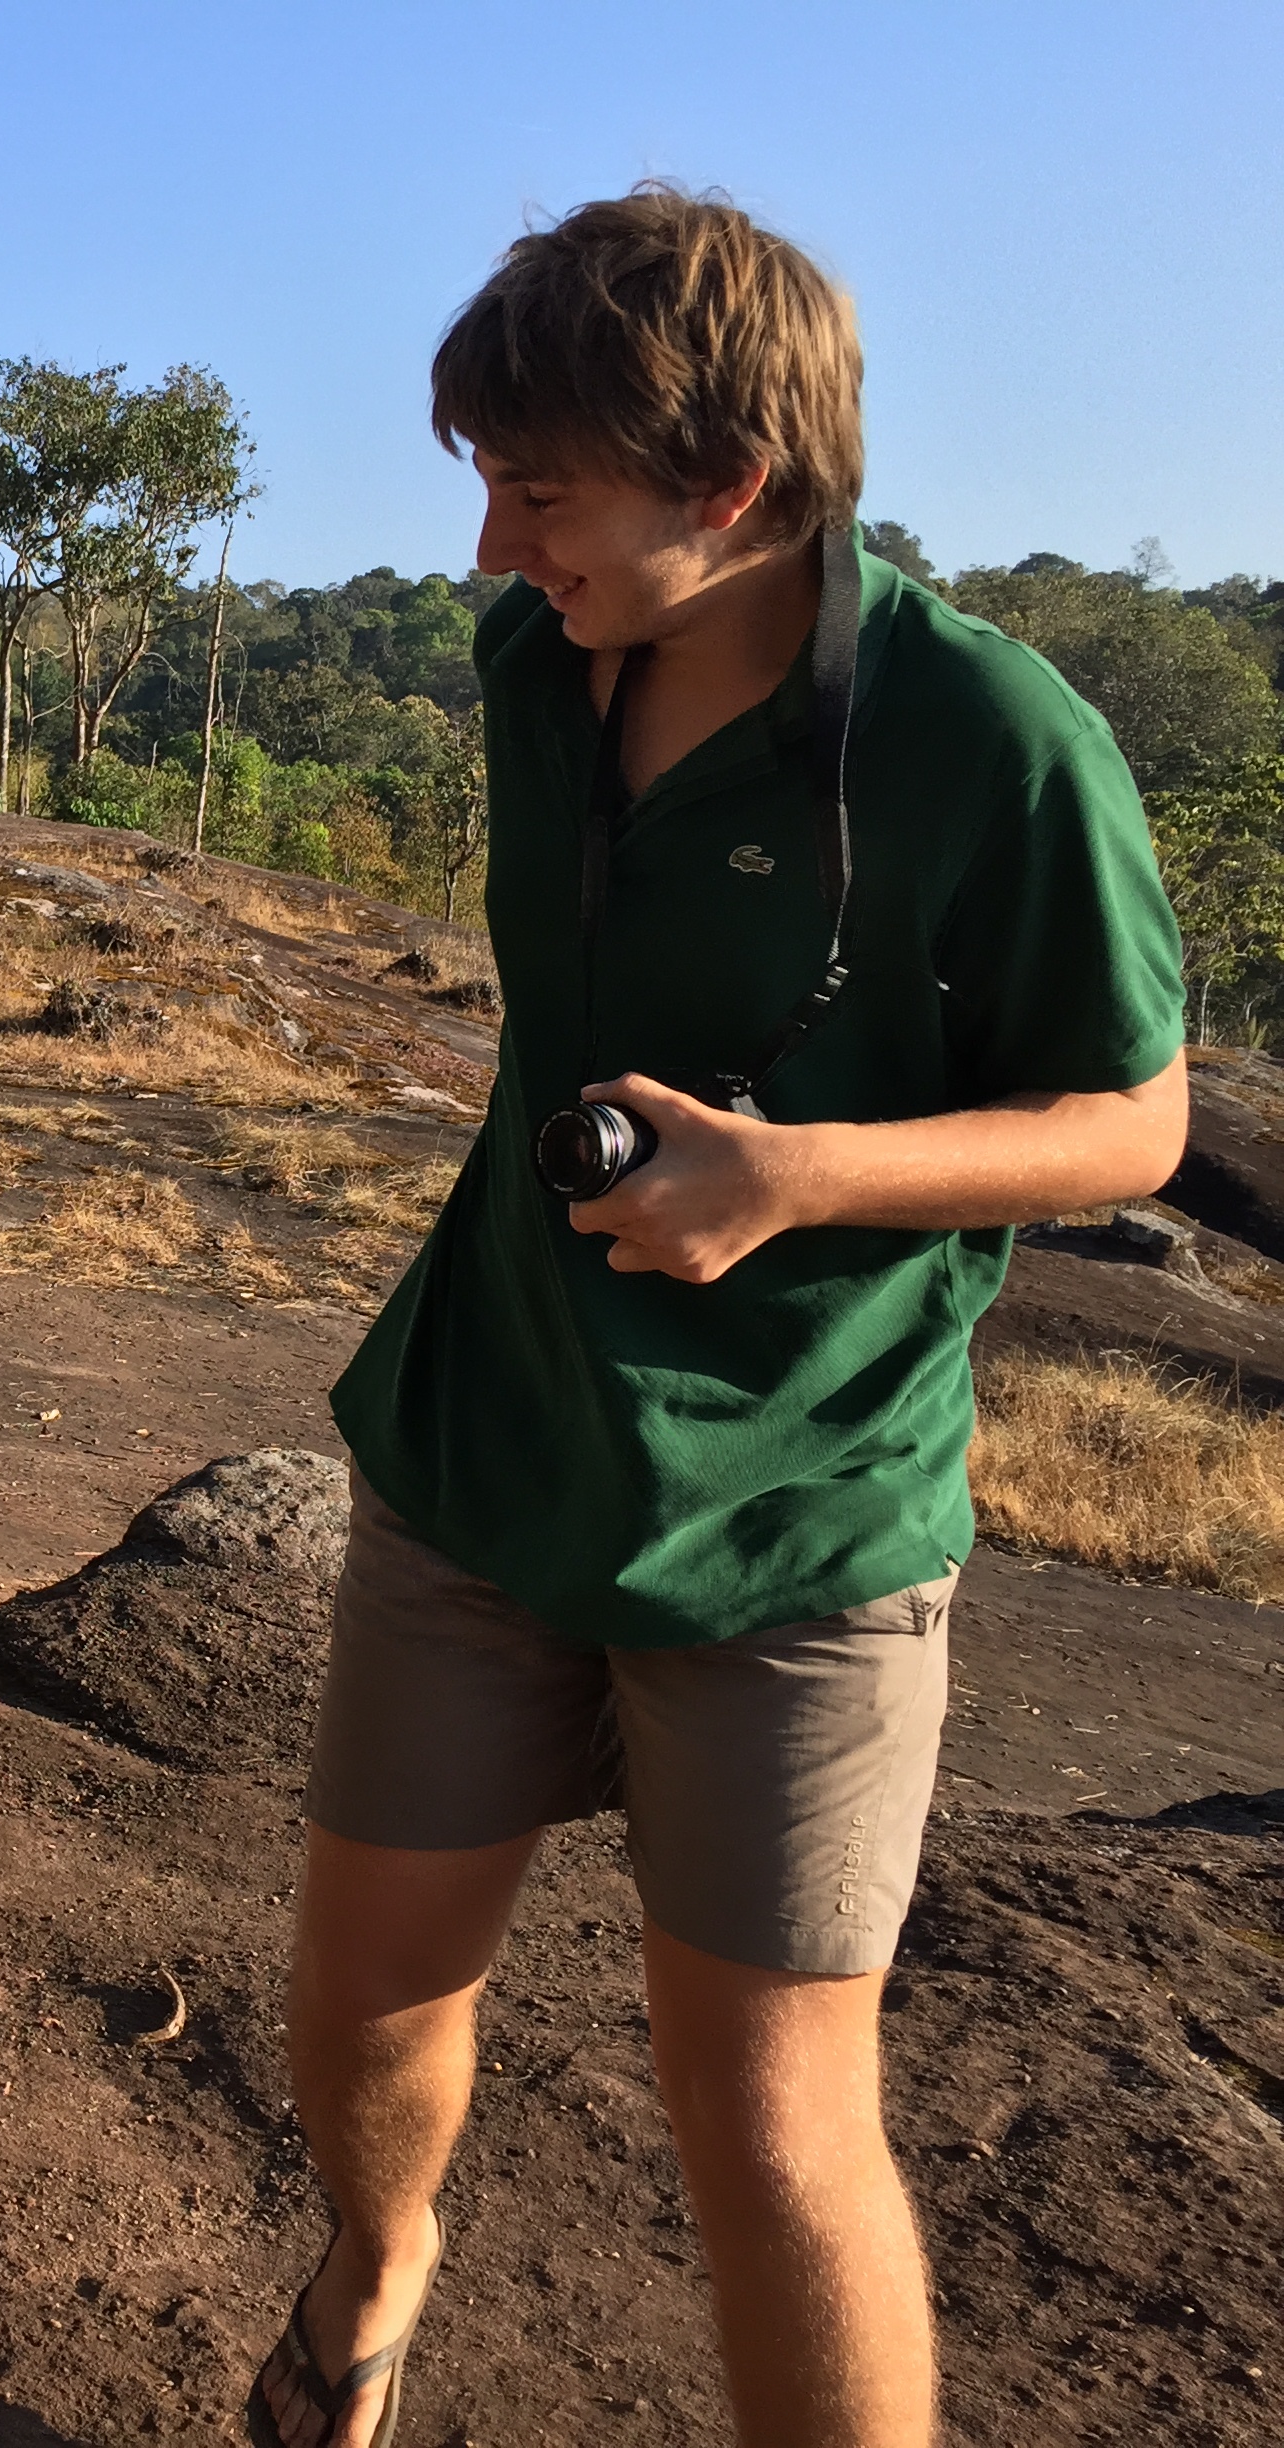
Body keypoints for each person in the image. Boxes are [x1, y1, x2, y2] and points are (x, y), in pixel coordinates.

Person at [250, 187, 1187, 2448]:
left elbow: (1139, 1122)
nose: (489, 547)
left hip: (806, 1514)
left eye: (538, 491)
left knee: (773, 2128)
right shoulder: (532, 669)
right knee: (364, 1999)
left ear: (734, 487)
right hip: (492, 1444)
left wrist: (800, 1184)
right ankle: (376, 2276)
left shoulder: (996, 739)